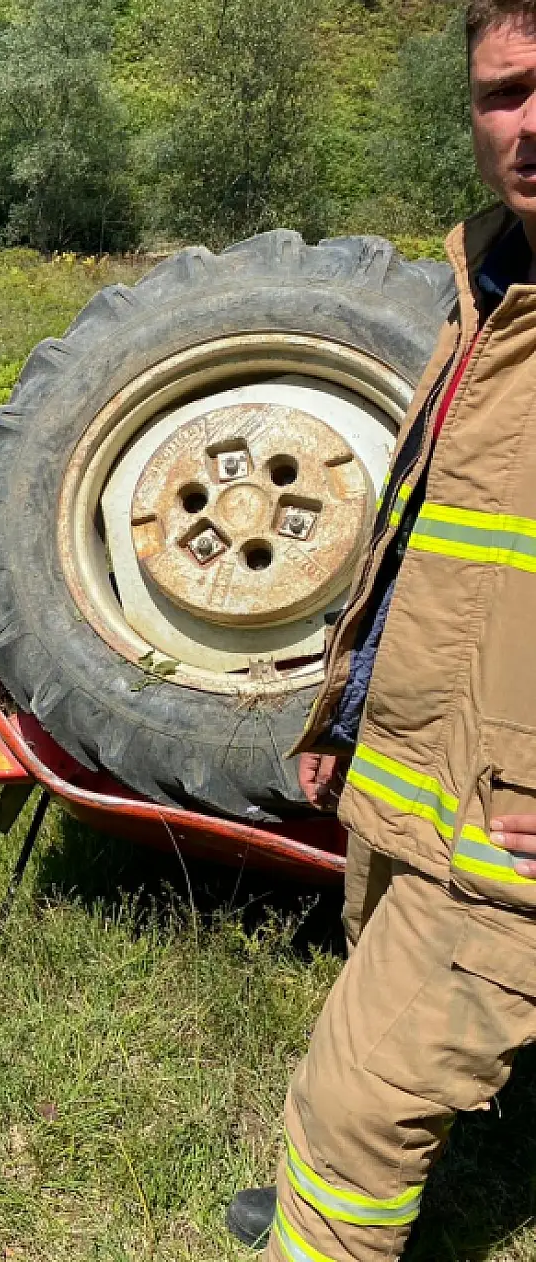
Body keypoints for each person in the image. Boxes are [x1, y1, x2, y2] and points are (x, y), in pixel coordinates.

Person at [223, 4, 536, 1258]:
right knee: (362, 1024)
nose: (529, 124)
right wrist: (342, 711)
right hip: (418, 763)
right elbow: (428, 532)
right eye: (501, 92)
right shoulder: (489, 285)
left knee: (361, 1107)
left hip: (503, 817)